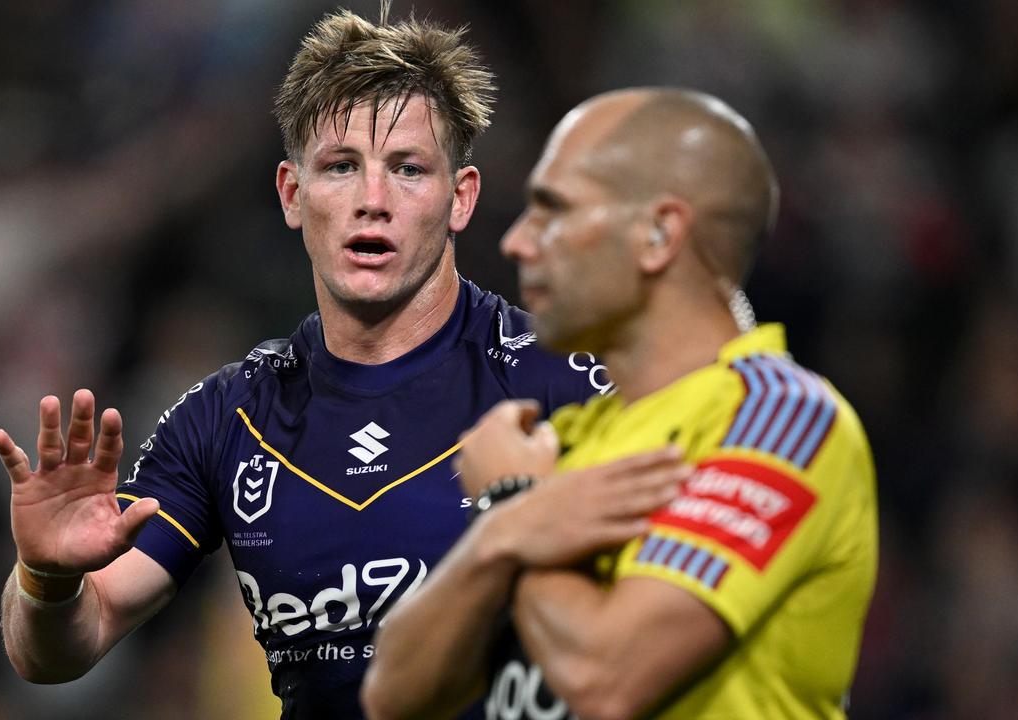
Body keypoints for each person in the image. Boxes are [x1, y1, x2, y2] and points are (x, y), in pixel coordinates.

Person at [0, 8, 600, 718]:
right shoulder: (227, 419)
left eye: (408, 169)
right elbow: (60, 648)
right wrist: (46, 578)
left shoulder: (561, 381)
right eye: (341, 168)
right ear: (292, 193)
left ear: (460, 198)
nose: (372, 202)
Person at [362, 88, 879, 720]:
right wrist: (501, 535)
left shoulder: (781, 422)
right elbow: (393, 695)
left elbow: (605, 680)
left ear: (659, 233)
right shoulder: (567, 435)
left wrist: (513, 499)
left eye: (554, 210)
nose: (517, 242)